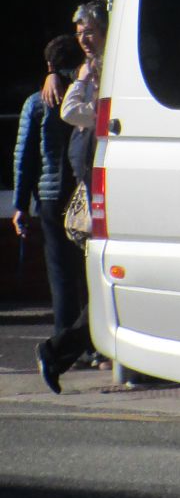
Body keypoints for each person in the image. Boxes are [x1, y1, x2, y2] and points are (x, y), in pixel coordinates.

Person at [36, 0, 109, 393]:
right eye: (80, 33)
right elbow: (70, 111)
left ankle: (63, 351)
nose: (84, 39)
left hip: (108, 182)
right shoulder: (88, 70)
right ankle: (59, 351)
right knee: (103, 284)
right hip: (101, 190)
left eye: (90, 33)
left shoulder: (110, 64)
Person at [13, 35, 84, 346]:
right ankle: (89, 343)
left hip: (50, 196)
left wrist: (20, 205)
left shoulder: (35, 103)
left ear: (49, 65)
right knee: (85, 272)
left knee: (60, 274)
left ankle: (64, 338)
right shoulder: (84, 95)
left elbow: (24, 157)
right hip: (82, 194)